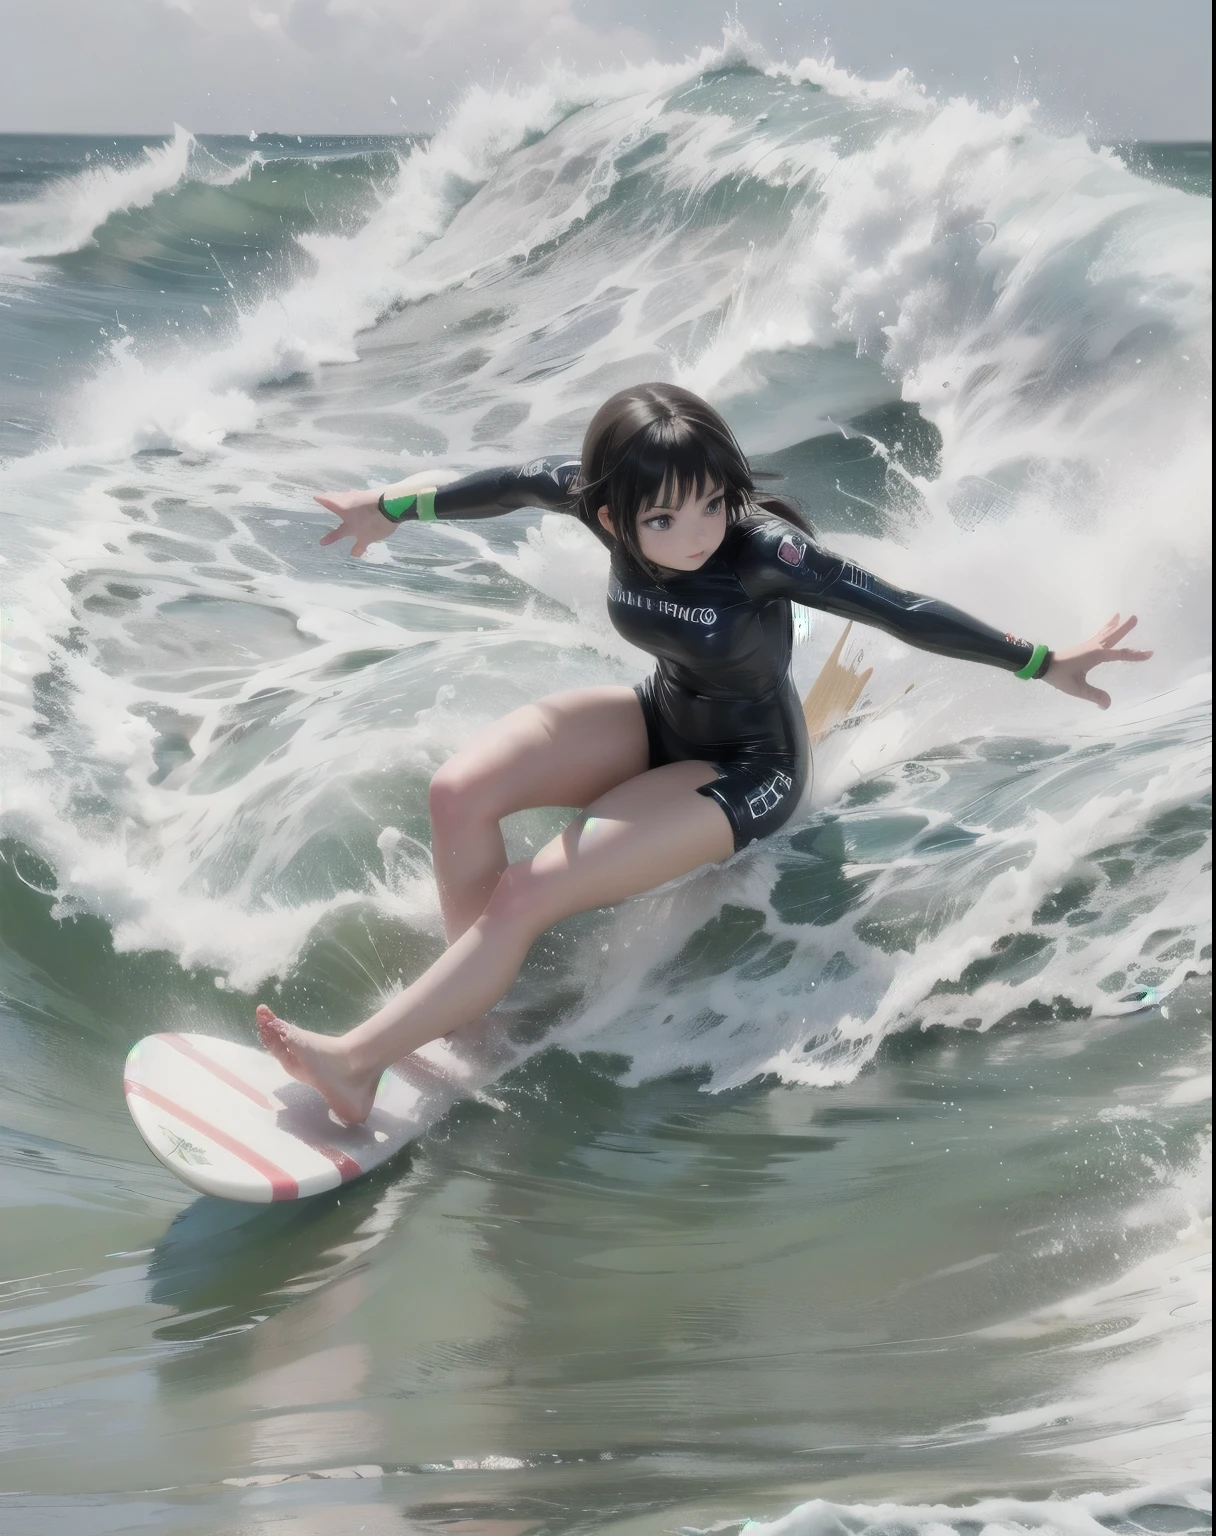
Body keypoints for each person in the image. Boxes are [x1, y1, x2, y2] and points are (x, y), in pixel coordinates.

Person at [254, 383, 1151, 1123]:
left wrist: (1044, 661)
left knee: (527, 891)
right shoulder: (597, 498)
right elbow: (514, 483)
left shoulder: (766, 552)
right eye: (669, 518)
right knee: (458, 792)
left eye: (714, 503)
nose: (701, 531)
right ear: (610, 514)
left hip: (747, 771)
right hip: (660, 716)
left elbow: (900, 609)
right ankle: (475, 1010)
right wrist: (391, 509)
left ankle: (362, 1060)